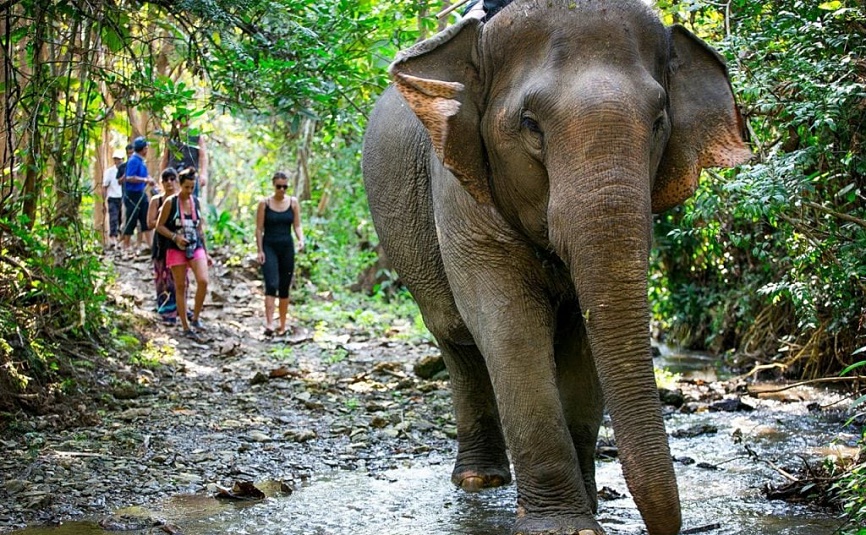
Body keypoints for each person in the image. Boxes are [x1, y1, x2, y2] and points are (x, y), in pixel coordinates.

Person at [155, 168, 212, 340]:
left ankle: (195, 318)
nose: (189, 191)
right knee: (181, 286)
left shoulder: (196, 202)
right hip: (175, 248)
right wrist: (175, 237)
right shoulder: (170, 202)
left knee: (203, 281)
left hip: (195, 246)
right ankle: (185, 326)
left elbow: (199, 228)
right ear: (180, 185)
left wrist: (206, 252)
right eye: (186, 187)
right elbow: (159, 226)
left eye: (192, 187)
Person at [255, 171, 305, 337]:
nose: (282, 190)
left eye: (285, 187)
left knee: (284, 286)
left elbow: (297, 225)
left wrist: (301, 239)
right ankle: (269, 324)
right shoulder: (264, 203)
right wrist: (260, 250)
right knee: (271, 284)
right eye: (279, 187)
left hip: (286, 247)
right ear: (273, 185)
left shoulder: (293, 203)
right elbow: (259, 229)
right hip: (269, 246)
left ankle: (282, 325)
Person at [147, 167, 184, 324]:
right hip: (162, 243)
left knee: (180, 279)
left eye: (172, 179)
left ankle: (181, 308)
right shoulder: (157, 200)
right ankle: (166, 309)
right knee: (162, 277)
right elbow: (150, 222)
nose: (169, 183)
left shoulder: (182, 200)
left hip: (179, 243)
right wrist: (164, 220)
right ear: (161, 183)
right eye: (166, 180)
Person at [119, 136, 154, 256]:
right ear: (143, 149)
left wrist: (150, 180)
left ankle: (151, 246)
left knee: (145, 218)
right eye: (146, 148)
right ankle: (126, 245)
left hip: (141, 193)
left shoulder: (141, 161)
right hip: (132, 194)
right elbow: (129, 177)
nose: (147, 150)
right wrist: (145, 180)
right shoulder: (133, 160)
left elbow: (145, 175)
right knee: (131, 219)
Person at [161, 115, 209, 198]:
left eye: (186, 119)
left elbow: (203, 156)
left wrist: (203, 173)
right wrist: (162, 176)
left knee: (191, 199)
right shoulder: (171, 137)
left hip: (190, 175)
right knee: (173, 200)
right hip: (173, 176)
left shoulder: (196, 136)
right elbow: (165, 158)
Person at [102, 150, 125, 249]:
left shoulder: (126, 171)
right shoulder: (109, 172)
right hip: (113, 198)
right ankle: (113, 239)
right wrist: (103, 201)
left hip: (123, 198)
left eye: (120, 159)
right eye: (116, 159)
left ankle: (121, 240)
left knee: (122, 219)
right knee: (113, 218)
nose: (118, 161)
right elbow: (105, 186)